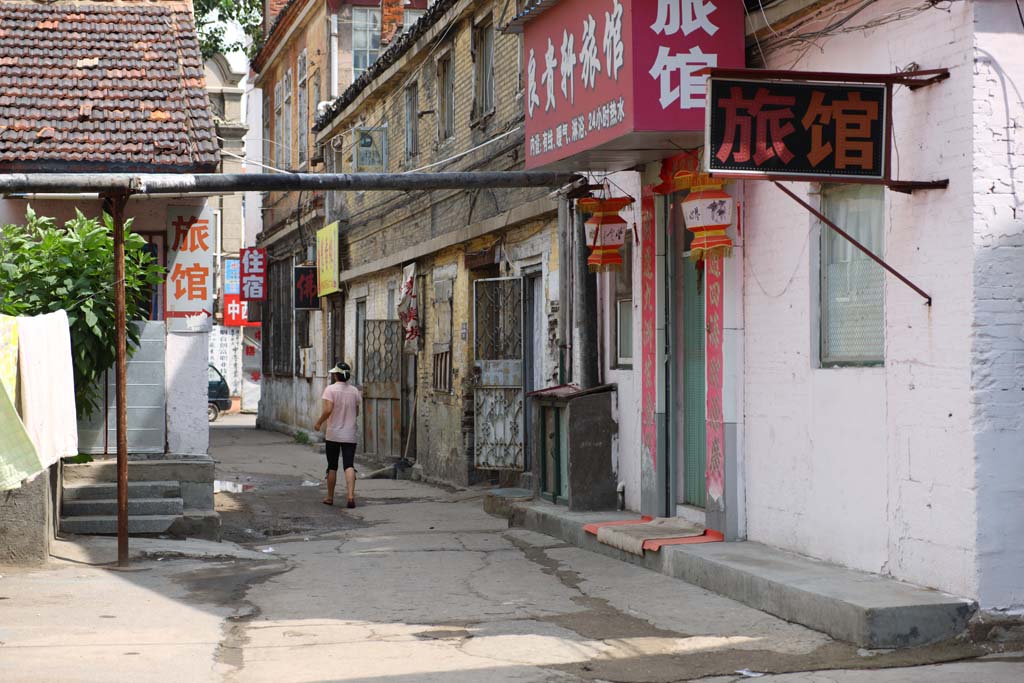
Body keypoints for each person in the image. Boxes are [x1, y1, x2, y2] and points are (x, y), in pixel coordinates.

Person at [313, 362, 362, 508]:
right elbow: (357, 412)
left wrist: (319, 422)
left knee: (332, 466)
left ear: (336, 375)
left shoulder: (330, 390)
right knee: (349, 465)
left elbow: (328, 409)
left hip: (333, 433)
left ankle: (329, 497)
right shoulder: (354, 391)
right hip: (349, 434)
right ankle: (351, 497)